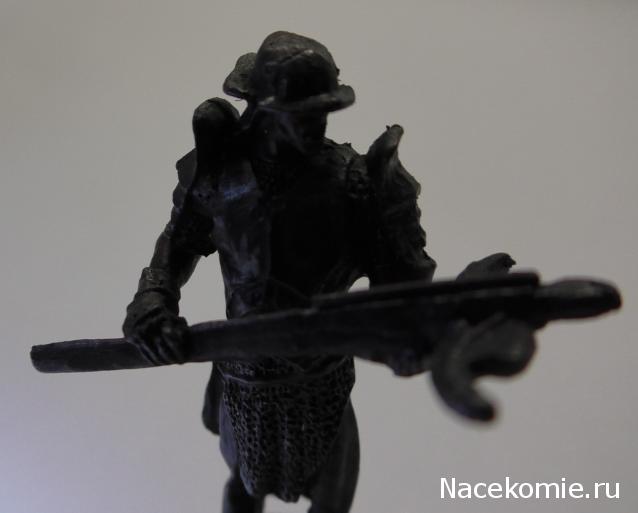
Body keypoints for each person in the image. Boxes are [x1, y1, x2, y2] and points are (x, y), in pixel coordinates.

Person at [123, 31, 436, 513]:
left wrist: (407, 333)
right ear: (264, 109)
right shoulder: (221, 175)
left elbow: (398, 288)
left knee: (331, 499)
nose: (316, 124)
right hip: (243, 375)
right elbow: (178, 244)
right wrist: (154, 301)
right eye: (301, 113)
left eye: (322, 111)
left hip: (321, 377)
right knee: (243, 488)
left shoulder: (354, 183)